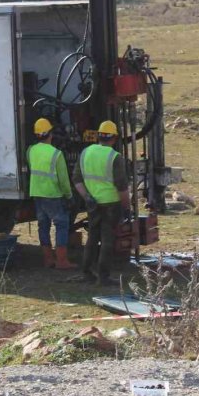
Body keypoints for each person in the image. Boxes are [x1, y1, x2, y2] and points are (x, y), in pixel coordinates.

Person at [73, 120, 131, 286]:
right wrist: (127, 207)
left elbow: (76, 179)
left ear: (98, 136)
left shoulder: (85, 153)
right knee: (107, 240)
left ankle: (87, 272)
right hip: (111, 204)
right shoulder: (114, 157)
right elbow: (122, 187)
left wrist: (87, 197)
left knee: (92, 237)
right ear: (114, 139)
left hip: (93, 204)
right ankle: (103, 277)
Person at [27, 118, 75, 269]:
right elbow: (64, 179)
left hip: (37, 193)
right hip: (53, 194)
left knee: (43, 225)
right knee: (61, 224)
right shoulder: (56, 154)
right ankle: (62, 261)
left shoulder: (30, 151)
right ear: (50, 134)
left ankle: (48, 259)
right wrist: (69, 196)